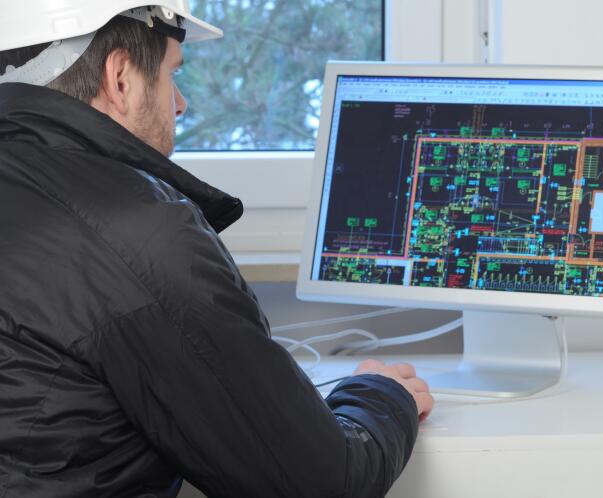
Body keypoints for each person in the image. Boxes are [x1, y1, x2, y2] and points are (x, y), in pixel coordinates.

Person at [0, 2, 433, 497]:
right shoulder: (138, 234)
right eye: (170, 74)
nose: (179, 103)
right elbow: (322, 482)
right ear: (120, 77)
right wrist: (381, 395)